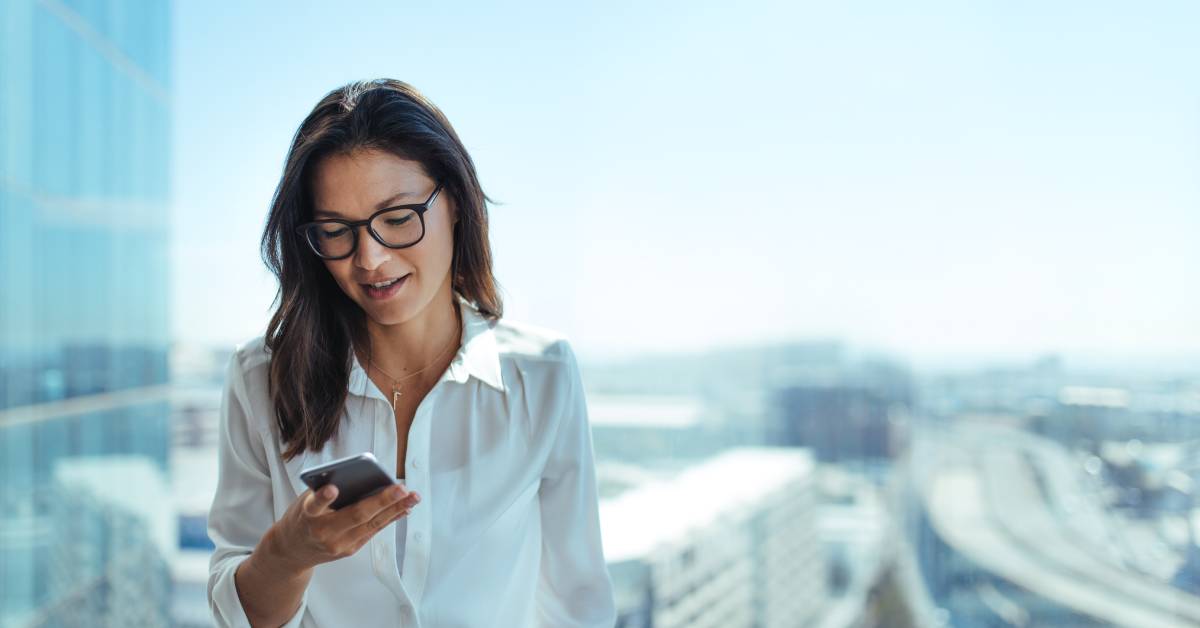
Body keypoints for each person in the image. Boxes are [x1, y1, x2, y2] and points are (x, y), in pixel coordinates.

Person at [206, 78, 616, 628]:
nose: (369, 259)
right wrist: (290, 552)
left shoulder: (541, 375)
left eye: (398, 219)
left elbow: (577, 604)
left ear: (456, 204)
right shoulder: (261, 378)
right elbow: (239, 618)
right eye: (335, 231)